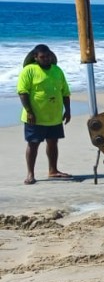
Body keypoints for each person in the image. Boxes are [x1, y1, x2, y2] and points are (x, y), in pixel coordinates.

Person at [17, 44, 72, 185]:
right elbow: (23, 92)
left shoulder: (57, 70)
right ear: (35, 57)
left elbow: (65, 92)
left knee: (53, 142)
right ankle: (30, 174)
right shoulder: (29, 70)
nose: (46, 59)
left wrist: (68, 110)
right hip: (35, 116)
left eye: (48, 56)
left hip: (54, 116)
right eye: (42, 57)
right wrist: (29, 111)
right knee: (33, 144)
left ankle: (53, 170)